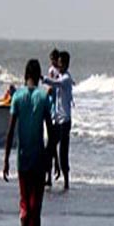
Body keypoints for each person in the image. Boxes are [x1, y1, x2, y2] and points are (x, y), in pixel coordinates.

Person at [2, 59, 52, 226]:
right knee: (36, 209)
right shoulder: (44, 97)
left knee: (24, 204)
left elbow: (10, 131)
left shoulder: (17, 97)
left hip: (22, 160)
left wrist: (5, 159)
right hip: (39, 160)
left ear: (25, 75)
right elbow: (51, 131)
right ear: (39, 75)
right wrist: (52, 158)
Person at [42, 50, 75, 190]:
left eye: (60, 63)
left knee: (63, 152)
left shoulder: (66, 78)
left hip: (65, 121)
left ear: (66, 64)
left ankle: (66, 181)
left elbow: (56, 83)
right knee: (49, 149)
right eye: (58, 62)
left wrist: (42, 78)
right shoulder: (60, 75)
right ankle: (48, 178)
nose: (58, 65)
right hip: (57, 119)